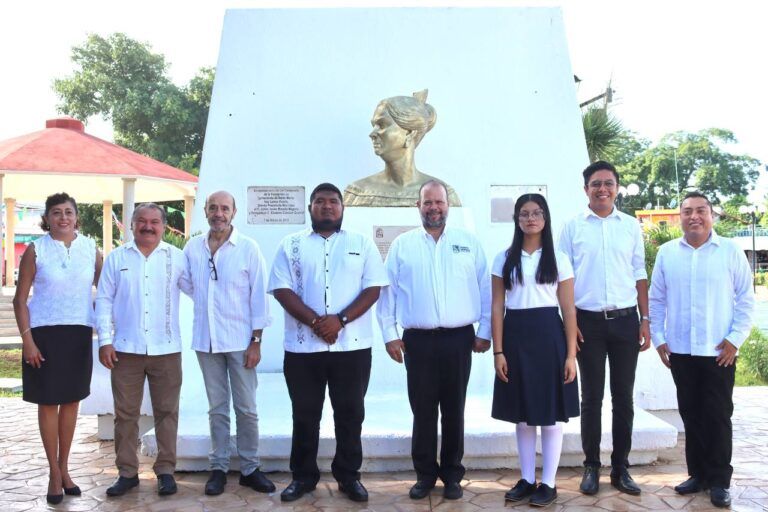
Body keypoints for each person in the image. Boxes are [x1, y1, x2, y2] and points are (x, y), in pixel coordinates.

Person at [268, 183, 388, 503]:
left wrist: (341, 320)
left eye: (333, 201)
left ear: (342, 208)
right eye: (319, 201)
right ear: (310, 207)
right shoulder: (290, 245)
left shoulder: (361, 244)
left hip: (352, 348)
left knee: (350, 414)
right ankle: (303, 477)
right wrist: (316, 323)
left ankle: (348, 476)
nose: (326, 206)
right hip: (303, 349)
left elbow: (373, 289)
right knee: (305, 415)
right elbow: (282, 289)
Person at [378, 179, 491, 501]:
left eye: (439, 202)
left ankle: (452, 475)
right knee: (423, 410)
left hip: (459, 339)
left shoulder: (468, 243)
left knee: (454, 410)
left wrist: (485, 331)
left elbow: (485, 288)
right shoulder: (402, 245)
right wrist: (390, 335)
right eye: (427, 202)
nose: (434, 208)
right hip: (418, 341)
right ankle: (425, 475)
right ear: (418, 206)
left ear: (447, 205)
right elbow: (388, 293)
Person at [649, 191, 754, 509]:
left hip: (719, 351)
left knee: (718, 416)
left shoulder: (730, 251)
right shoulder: (667, 253)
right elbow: (656, 299)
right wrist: (659, 338)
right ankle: (697, 474)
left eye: (700, 210)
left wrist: (735, 339)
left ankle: (719, 480)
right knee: (691, 414)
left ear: (711, 215)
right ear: (680, 216)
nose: (694, 216)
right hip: (680, 349)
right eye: (687, 211)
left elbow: (746, 299)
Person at [558, 161, 650, 496]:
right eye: (596, 184)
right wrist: (569, 325)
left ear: (616, 188)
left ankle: (621, 468)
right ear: (586, 189)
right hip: (587, 324)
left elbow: (639, 273)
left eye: (608, 183)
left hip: (626, 321)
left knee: (623, 398)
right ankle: (592, 465)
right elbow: (562, 279)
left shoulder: (630, 226)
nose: (602, 189)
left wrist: (645, 319)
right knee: (591, 398)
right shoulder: (572, 228)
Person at [95, 203, 190, 497]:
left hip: (167, 349)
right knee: (125, 414)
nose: (148, 227)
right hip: (126, 349)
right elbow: (104, 299)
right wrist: (105, 341)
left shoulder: (177, 258)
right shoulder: (117, 258)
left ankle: (166, 471)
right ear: (132, 224)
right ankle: (127, 473)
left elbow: (199, 290)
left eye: (154, 222)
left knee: (167, 412)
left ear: (163, 226)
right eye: (142, 221)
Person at [13, 193, 102, 505]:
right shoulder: (35, 250)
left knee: (72, 402)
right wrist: (27, 341)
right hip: (44, 335)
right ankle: (53, 472)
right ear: (47, 218)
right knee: (49, 403)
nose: (63, 217)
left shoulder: (91, 249)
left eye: (68, 212)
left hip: (78, 333)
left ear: (77, 217)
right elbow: (19, 300)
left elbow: (106, 292)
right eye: (56, 212)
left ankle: (65, 468)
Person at [184, 190, 275, 496]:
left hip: (241, 341)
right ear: (205, 211)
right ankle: (219, 468)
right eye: (213, 208)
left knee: (246, 408)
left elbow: (259, 297)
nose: (218, 213)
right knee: (217, 408)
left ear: (234, 212)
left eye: (224, 208)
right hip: (206, 341)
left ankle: (250, 468)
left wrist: (256, 341)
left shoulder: (248, 248)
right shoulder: (193, 248)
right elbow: (188, 284)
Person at [491, 194, 579, 507]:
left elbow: (568, 309)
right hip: (515, 338)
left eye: (537, 213)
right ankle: (527, 479)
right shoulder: (504, 258)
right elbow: (497, 306)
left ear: (545, 218)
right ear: (517, 219)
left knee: (551, 416)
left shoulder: (559, 258)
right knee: (523, 416)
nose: (531, 219)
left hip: (549, 337)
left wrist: (571, 355)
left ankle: (549, 483)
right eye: (524, 213)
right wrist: (498, 352)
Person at [342, 89, 461, 206]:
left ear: (409, 133)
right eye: (374, 126)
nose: (372, 134)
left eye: (382, 125)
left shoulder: (444, 196)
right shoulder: (357, 194)